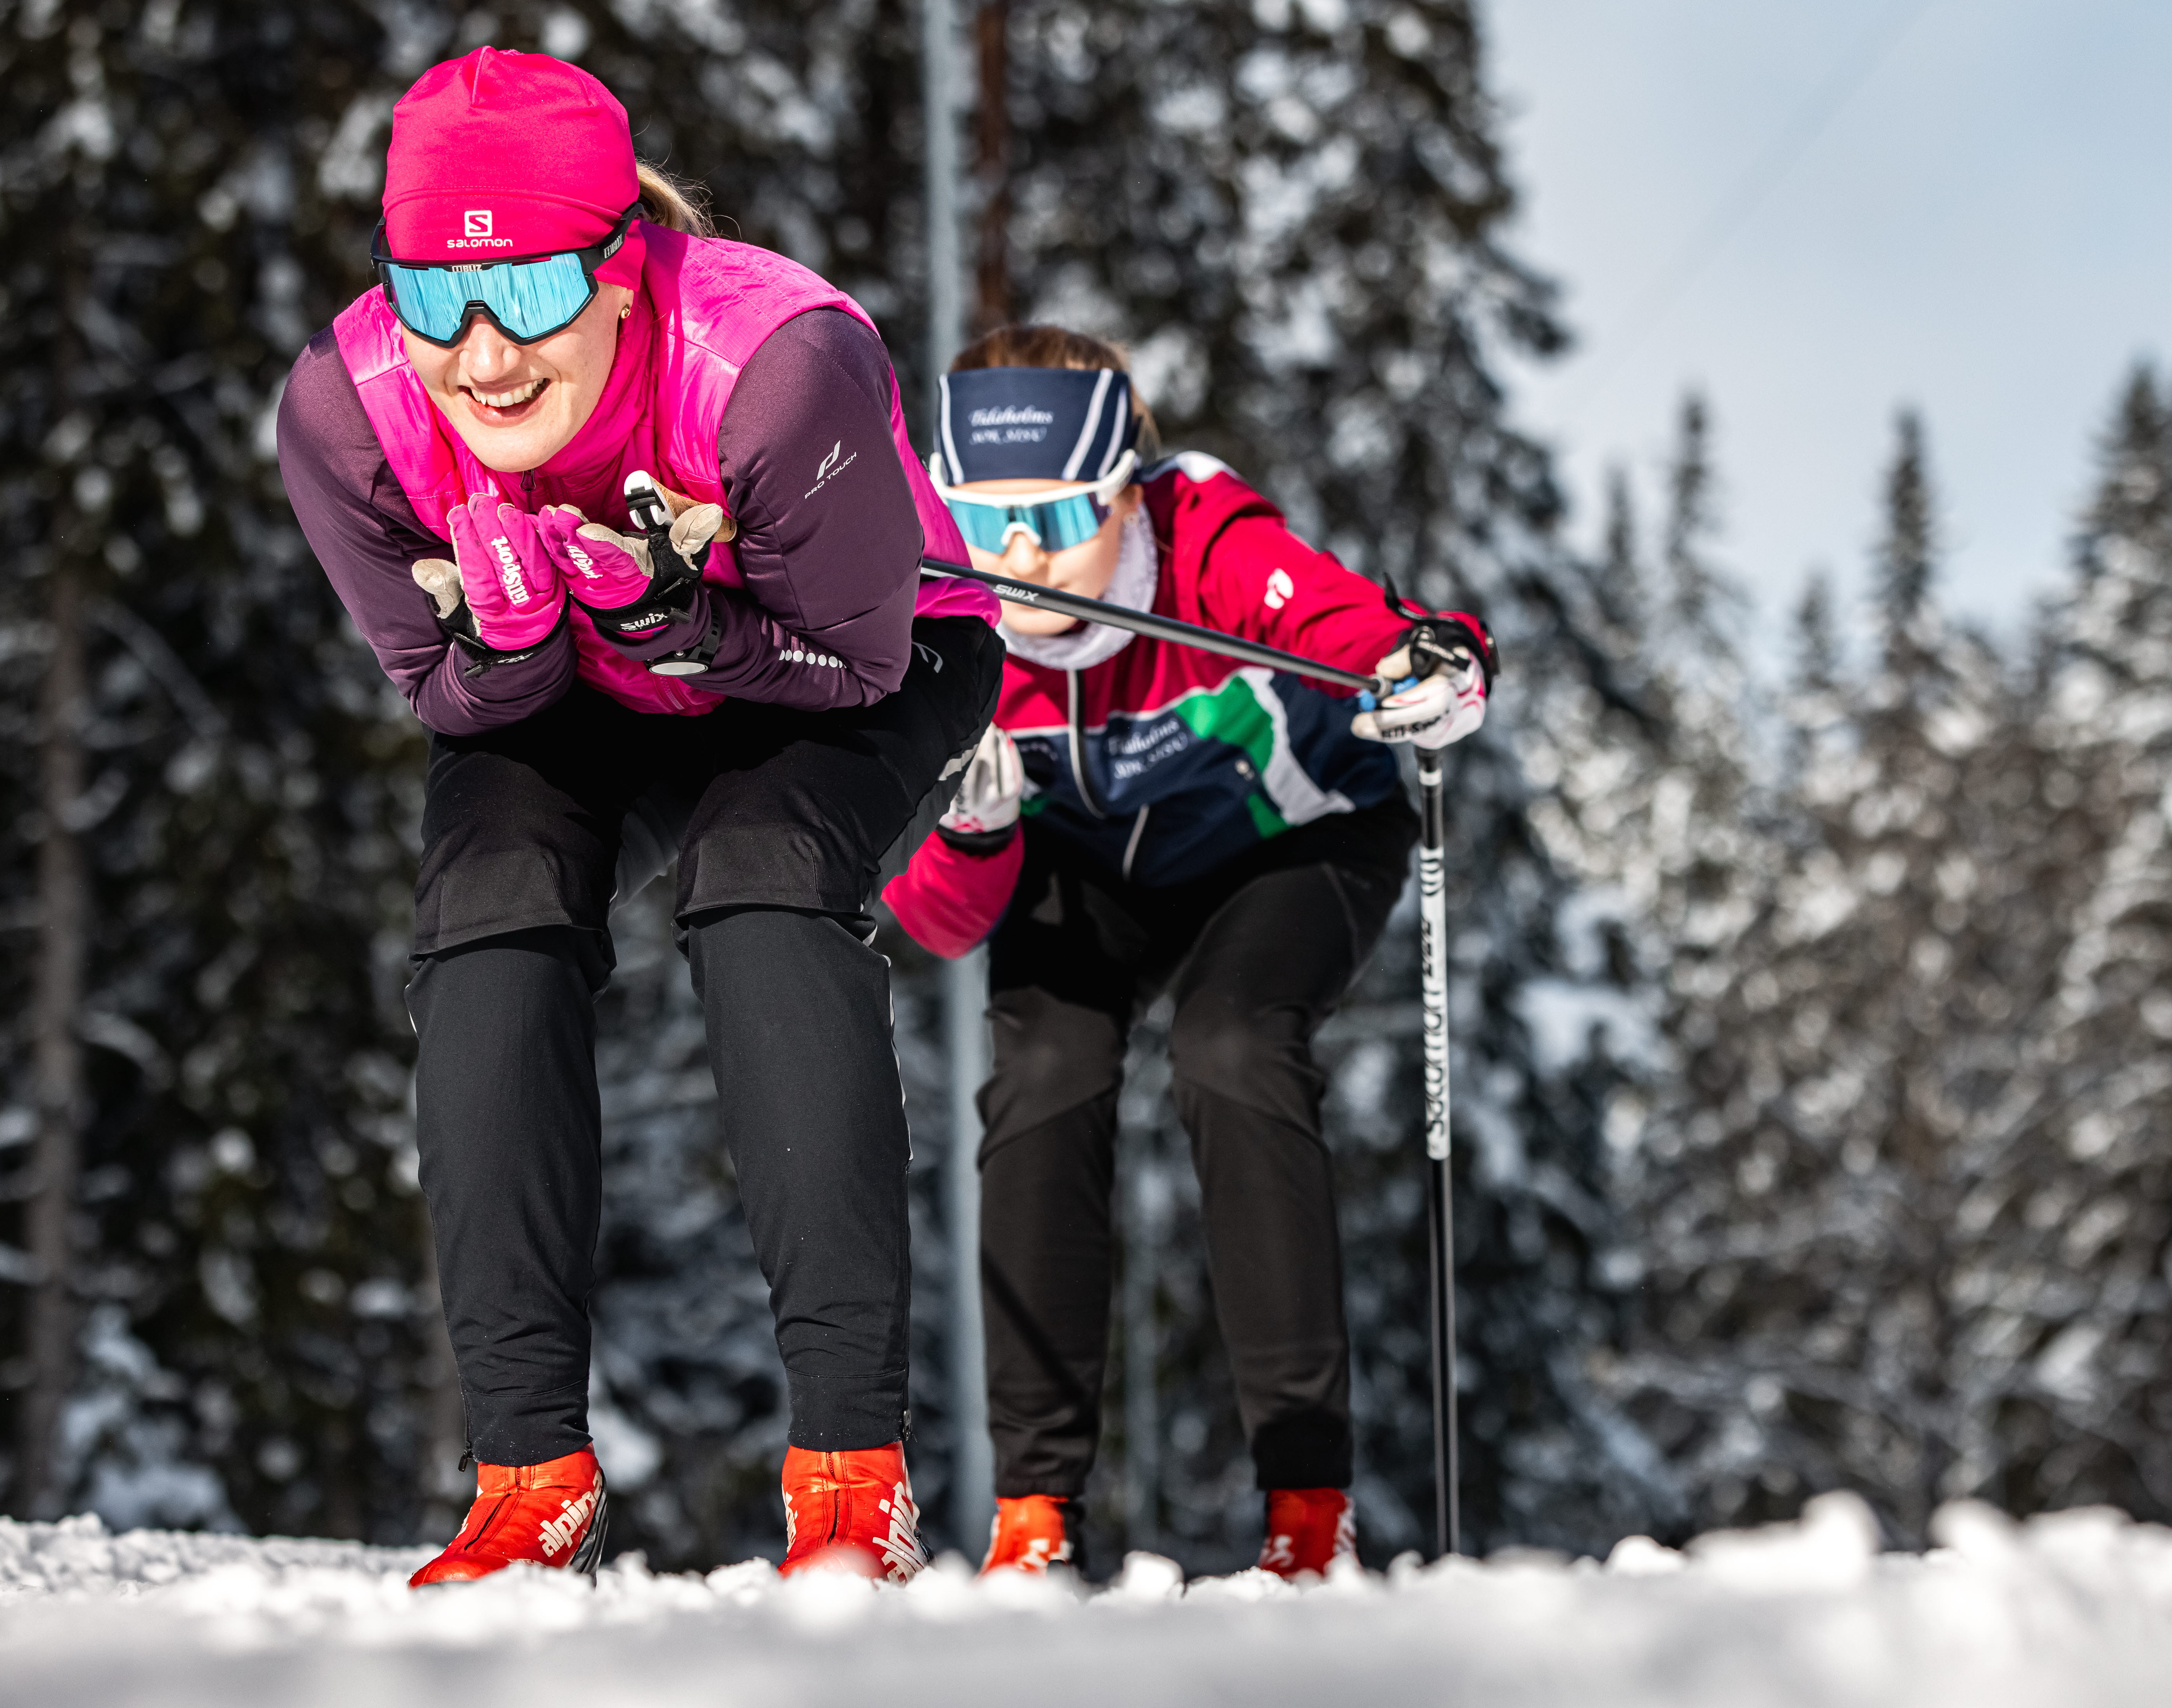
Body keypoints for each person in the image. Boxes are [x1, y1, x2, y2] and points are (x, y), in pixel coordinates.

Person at [276, 48, 1005, 1587]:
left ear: (618, 271)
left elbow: (858, 661)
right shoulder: (348, 411)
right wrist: (514, 645)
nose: (481, 356)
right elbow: (437, 689)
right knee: (487, 906)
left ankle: (849, 1478)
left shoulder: (773, 367)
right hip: (583, 674)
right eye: (435, 297)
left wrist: (687, 622)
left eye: (530, 292)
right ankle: (525, 1478)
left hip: (846, 657)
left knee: (759, 876)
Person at [880, 327, 1491, 1580]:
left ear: (1126, 491)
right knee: (1044, 1072)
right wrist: (972, 828)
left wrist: (1436, 662)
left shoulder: (1208, 541)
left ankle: (1307, 1502)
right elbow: (936, 922)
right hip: (1082, 872)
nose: (1019, 555)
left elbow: (1356, 625)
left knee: (1233, 1048)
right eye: (982, 519)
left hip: (1287, 843)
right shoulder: (936, 619)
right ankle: (1034, 1511)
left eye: (1058, 514)